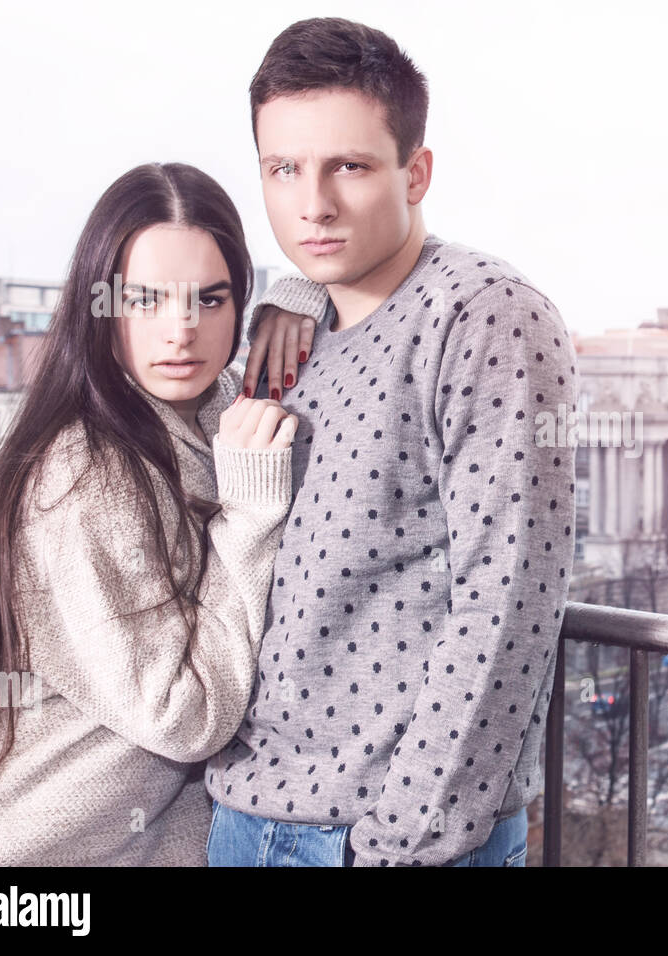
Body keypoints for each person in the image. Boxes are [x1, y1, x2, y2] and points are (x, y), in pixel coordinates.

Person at [204, 18, 579, 867]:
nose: (314, 205)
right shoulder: (294, 333)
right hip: (239, 819)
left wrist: (401, 843)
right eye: (284, 169)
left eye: (350, 166)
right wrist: (292, 290)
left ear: (417, 172)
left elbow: (509, 599)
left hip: (380, 838)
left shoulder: (485, 315)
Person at [0, 162, 299, 865]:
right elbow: (186, 716)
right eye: (147, 300)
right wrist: (253, 513)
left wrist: (302, 296)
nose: (181, 330)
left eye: (211, 298)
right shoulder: (85, 470)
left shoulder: (203, 410)